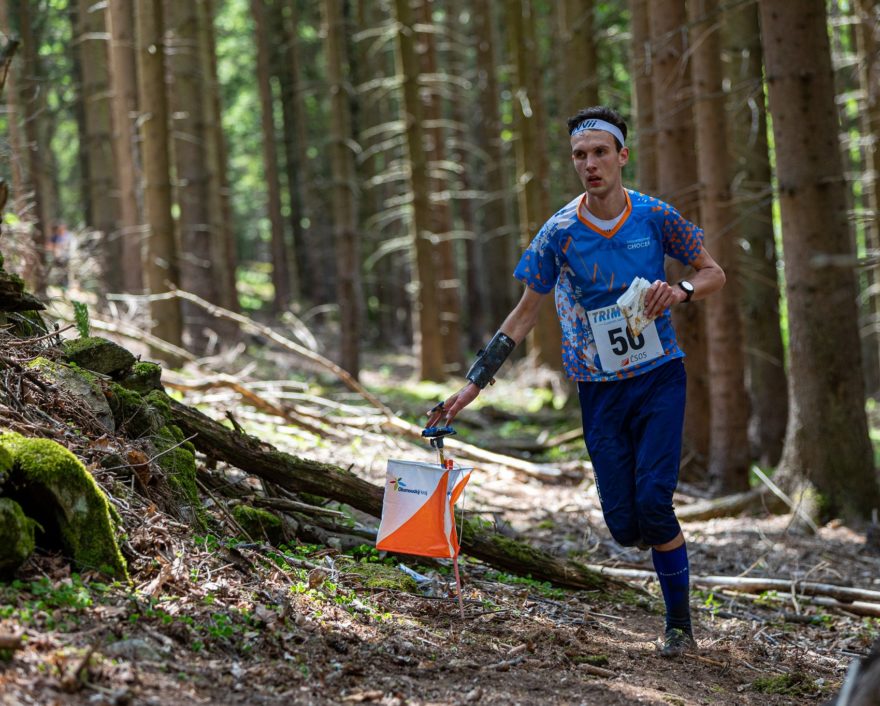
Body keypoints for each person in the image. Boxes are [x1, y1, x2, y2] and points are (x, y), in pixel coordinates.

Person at [427, 106, 725, 658]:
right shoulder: (559, 232)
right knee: (623, 525)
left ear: (621, 157)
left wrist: (680, 291)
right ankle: (653, 553)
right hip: (598, 387)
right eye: (580, 156)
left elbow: (713, 272)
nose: (590, 165)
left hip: (661, 376)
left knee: (656, 504)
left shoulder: (656, 217)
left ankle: (679, 627)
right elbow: (521, 316)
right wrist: (469, 388)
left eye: (600, 153)